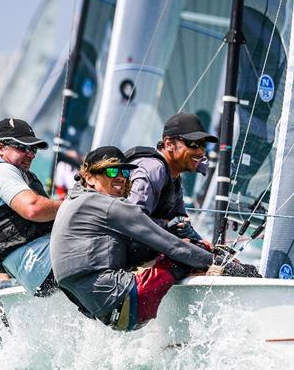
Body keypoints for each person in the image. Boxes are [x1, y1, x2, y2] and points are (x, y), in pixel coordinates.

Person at [51, 146, 248, 332]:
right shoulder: (109, 206)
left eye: (125, 173)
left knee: (178, 251)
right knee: (188, 251)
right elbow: (172, 246)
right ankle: (228, 310)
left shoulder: (72, 202)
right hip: (129, 304)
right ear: (89, 177)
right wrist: (217, 262)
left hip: (102, 312)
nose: (120, 177)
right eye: (111, 172)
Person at [0, 118, 62, 295]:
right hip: (45, 264)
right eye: (23, 148)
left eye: (33, 149)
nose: (31, 154)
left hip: (36, 275)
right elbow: (34, 208)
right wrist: (76, 205)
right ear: (0, 148)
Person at [125, 112, 217, 247]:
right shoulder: (153, 170)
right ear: (169, 144)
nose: (201, 151)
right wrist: (167, 226)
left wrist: (201, 243)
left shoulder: (175, 177)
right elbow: (131, 221)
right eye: (193, 144)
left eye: (203, 145)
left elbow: (180, 221)